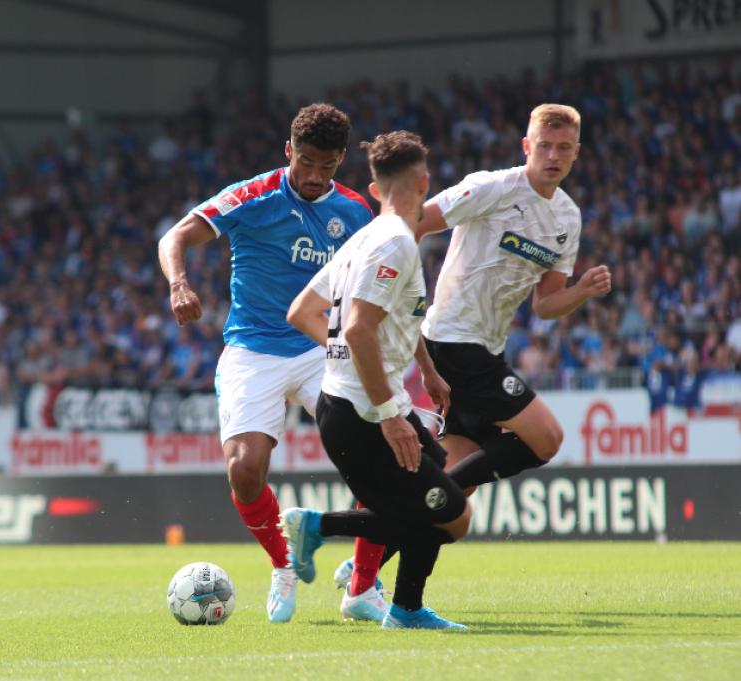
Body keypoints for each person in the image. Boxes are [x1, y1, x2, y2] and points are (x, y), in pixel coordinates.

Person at [158, 103, 386, 623]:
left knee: (378, 462)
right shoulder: (252, 196)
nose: (313, 176)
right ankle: (283, 566)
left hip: (319, 347)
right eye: (305, 162)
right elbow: (174, 237)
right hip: (253, 349)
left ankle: (363, 584)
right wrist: (179, 282)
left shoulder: (354, 212)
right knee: (244, 472)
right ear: (288, 151)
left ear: (341, 161)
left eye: (326, 166)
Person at [284, 131, 471, 629]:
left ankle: (406, 607)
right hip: (363, 414)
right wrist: (391, 414)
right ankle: (315, 528)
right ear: (425, 183)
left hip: (347, 402)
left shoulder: (363, 238)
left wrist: (422, 369)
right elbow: (359, 326)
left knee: (442, 487)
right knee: (450, 515)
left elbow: (302, 312)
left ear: (372, 188)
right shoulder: (395, 242)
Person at [415, 104, 612, 492]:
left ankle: (349, 535)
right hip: (453, 341)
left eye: (563, 147)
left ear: (577, 152)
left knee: (448, 503)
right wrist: (406, 296)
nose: (553, 156)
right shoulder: (492, 188)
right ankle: (437, 495)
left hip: (486, 350)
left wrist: (582, 291)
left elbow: (545, 304)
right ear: (526, 146)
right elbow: (416, 221)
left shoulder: (567, 218)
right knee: (547, 438)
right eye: (545, 146)